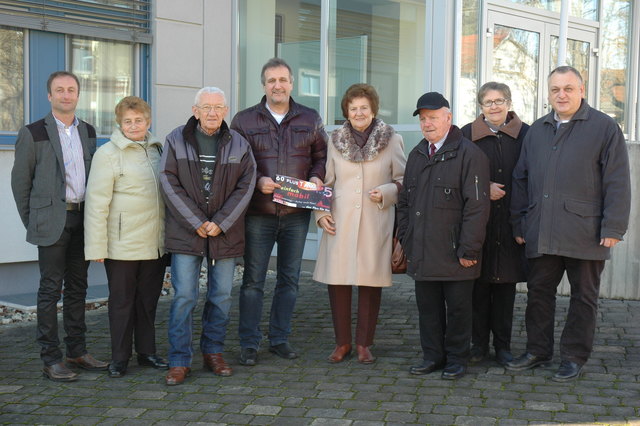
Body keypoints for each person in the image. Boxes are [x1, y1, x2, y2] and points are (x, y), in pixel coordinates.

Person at [507, 66, 631, 382]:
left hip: (586, 232)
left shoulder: (604, 128)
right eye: (555, 89)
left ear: (581, 90)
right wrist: (520, 223)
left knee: (583, 299)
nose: (561, 95)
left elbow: (617, 181)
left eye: (568, 88)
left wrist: (613, 227)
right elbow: (520, 178)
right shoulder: (537, 130)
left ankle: (574, 357)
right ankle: (538, 351)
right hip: (542, 229)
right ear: (548, 93)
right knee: (538, 294)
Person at [11, 71, 108, 381]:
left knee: (79, 288)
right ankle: (50, 358)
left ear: (78, 95)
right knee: (50, 290)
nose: (66, 95)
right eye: (59, 90)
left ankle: (76, 351)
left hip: (83, 219)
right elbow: (20, 184)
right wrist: (35, 221)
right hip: (51, 221)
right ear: (49, 95)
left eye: (71, 90)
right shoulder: (33, 132)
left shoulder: (89, 131)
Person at [231, 57, 327, 366]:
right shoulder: (244, 121)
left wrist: (316, 177)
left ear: (292, 83)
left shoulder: (310, 118)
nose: (277, 85)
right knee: (253, 281)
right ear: (263, 85)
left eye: (283, 80)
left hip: (296, 214)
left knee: (289, 280)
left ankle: (279, 338)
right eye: (271, 80)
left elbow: (321, 156)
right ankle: (248, 342)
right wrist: (257, 181)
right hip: (258, 213)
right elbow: (235, 164)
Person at [160, 87, 256, 386]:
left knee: (222, 296)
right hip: (186, 232)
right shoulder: (175, 139)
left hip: (225, 234)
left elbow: (247, 184)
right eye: (206, 107)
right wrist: (197, 221)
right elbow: (167, 180)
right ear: (195, 110)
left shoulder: (239, 143)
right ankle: (179, 360)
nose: (213, 112)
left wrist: (221, 222)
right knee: (185, 296)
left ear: (226, 110)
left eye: (218, 107)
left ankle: (213, 352)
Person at [397, 92, 490, 380]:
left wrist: (469, 250)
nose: (428, 123)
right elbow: (404, 204)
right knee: (428, 311)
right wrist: (407, 238)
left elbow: (477, 207)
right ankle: (432, 357)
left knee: (459, 311)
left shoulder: (470, 154)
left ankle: (457, 360)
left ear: (448, 118)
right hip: (422, 251)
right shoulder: (416, 155)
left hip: (456, 254)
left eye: (433, 117)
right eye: (423, 119)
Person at [313, 84, 406, 364]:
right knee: (338, 284)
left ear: (373, 109)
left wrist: (387, 193)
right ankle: (342, 343)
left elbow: (404, 181)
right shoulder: (335, 140)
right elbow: (327, 182)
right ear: (347, 111)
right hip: (339, 221)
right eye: (353, 108)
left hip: (375, 220)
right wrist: (320, 214)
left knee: (369, 283)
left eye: (364, 107)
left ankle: (364, 343)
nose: (359, 112)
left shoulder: (392, 139)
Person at [84, 96, 168, 378]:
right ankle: (120, 358)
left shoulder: (158, 150)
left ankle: (147, 352)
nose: (134, 126)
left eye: (139, 120)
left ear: (148, 121)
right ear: (119, 123)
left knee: (147, 302)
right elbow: (96, 203)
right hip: (121, 245)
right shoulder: (107, 154)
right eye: (128, 121)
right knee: (121, 304)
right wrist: (96, 245)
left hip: (154, 243)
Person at [460, 82, 529, 366]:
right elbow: (458, 172)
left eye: (499, 101)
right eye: (488, 102)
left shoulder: (527, 134)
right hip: (479, 222)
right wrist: (482, 186)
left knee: (505, 289)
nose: (494, 107)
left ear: (509, 103)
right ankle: (478, 345)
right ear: (480, 107)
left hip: (512, 221)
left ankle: (503, 346)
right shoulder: (466, 135)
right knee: (478, 287)